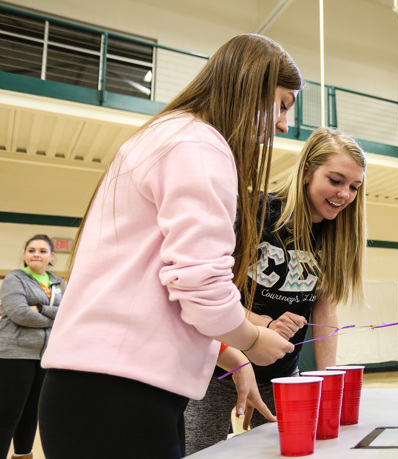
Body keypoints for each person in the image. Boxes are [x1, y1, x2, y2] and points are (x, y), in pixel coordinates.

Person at [37, 33, 303, 459]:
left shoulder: (169, 136)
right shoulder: (198, 144)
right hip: (118, 397)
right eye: (282, 105)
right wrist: (253, 339)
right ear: (250, 85)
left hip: (104, 392)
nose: (284, 124)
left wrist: (230, 354)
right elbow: (201, 287)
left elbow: (155, 291)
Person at [184, 126, 367, 454]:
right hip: (219, 367)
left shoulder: (333, 236)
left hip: (282, 374)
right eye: (336, 181)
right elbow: (211, 290)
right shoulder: (255, 213)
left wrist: (326, 379)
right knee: (198, 449)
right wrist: (261, 324)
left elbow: (324, 310)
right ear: (308, 171)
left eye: (354, 187)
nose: (345, 195)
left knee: (294, 449)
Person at [0, 235, 62, 459]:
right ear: (25, 254)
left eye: (42, 251)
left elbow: (66, 313)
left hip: (44, 357)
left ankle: (23, 455)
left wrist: (41, 308)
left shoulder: (56, 283)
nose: (36, 254)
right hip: (14, 354)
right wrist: (55, 317)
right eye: (32, 250)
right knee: (7, 414)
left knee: (30, 414)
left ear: (51, 256)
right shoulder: (15, 279)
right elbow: (19, 314)